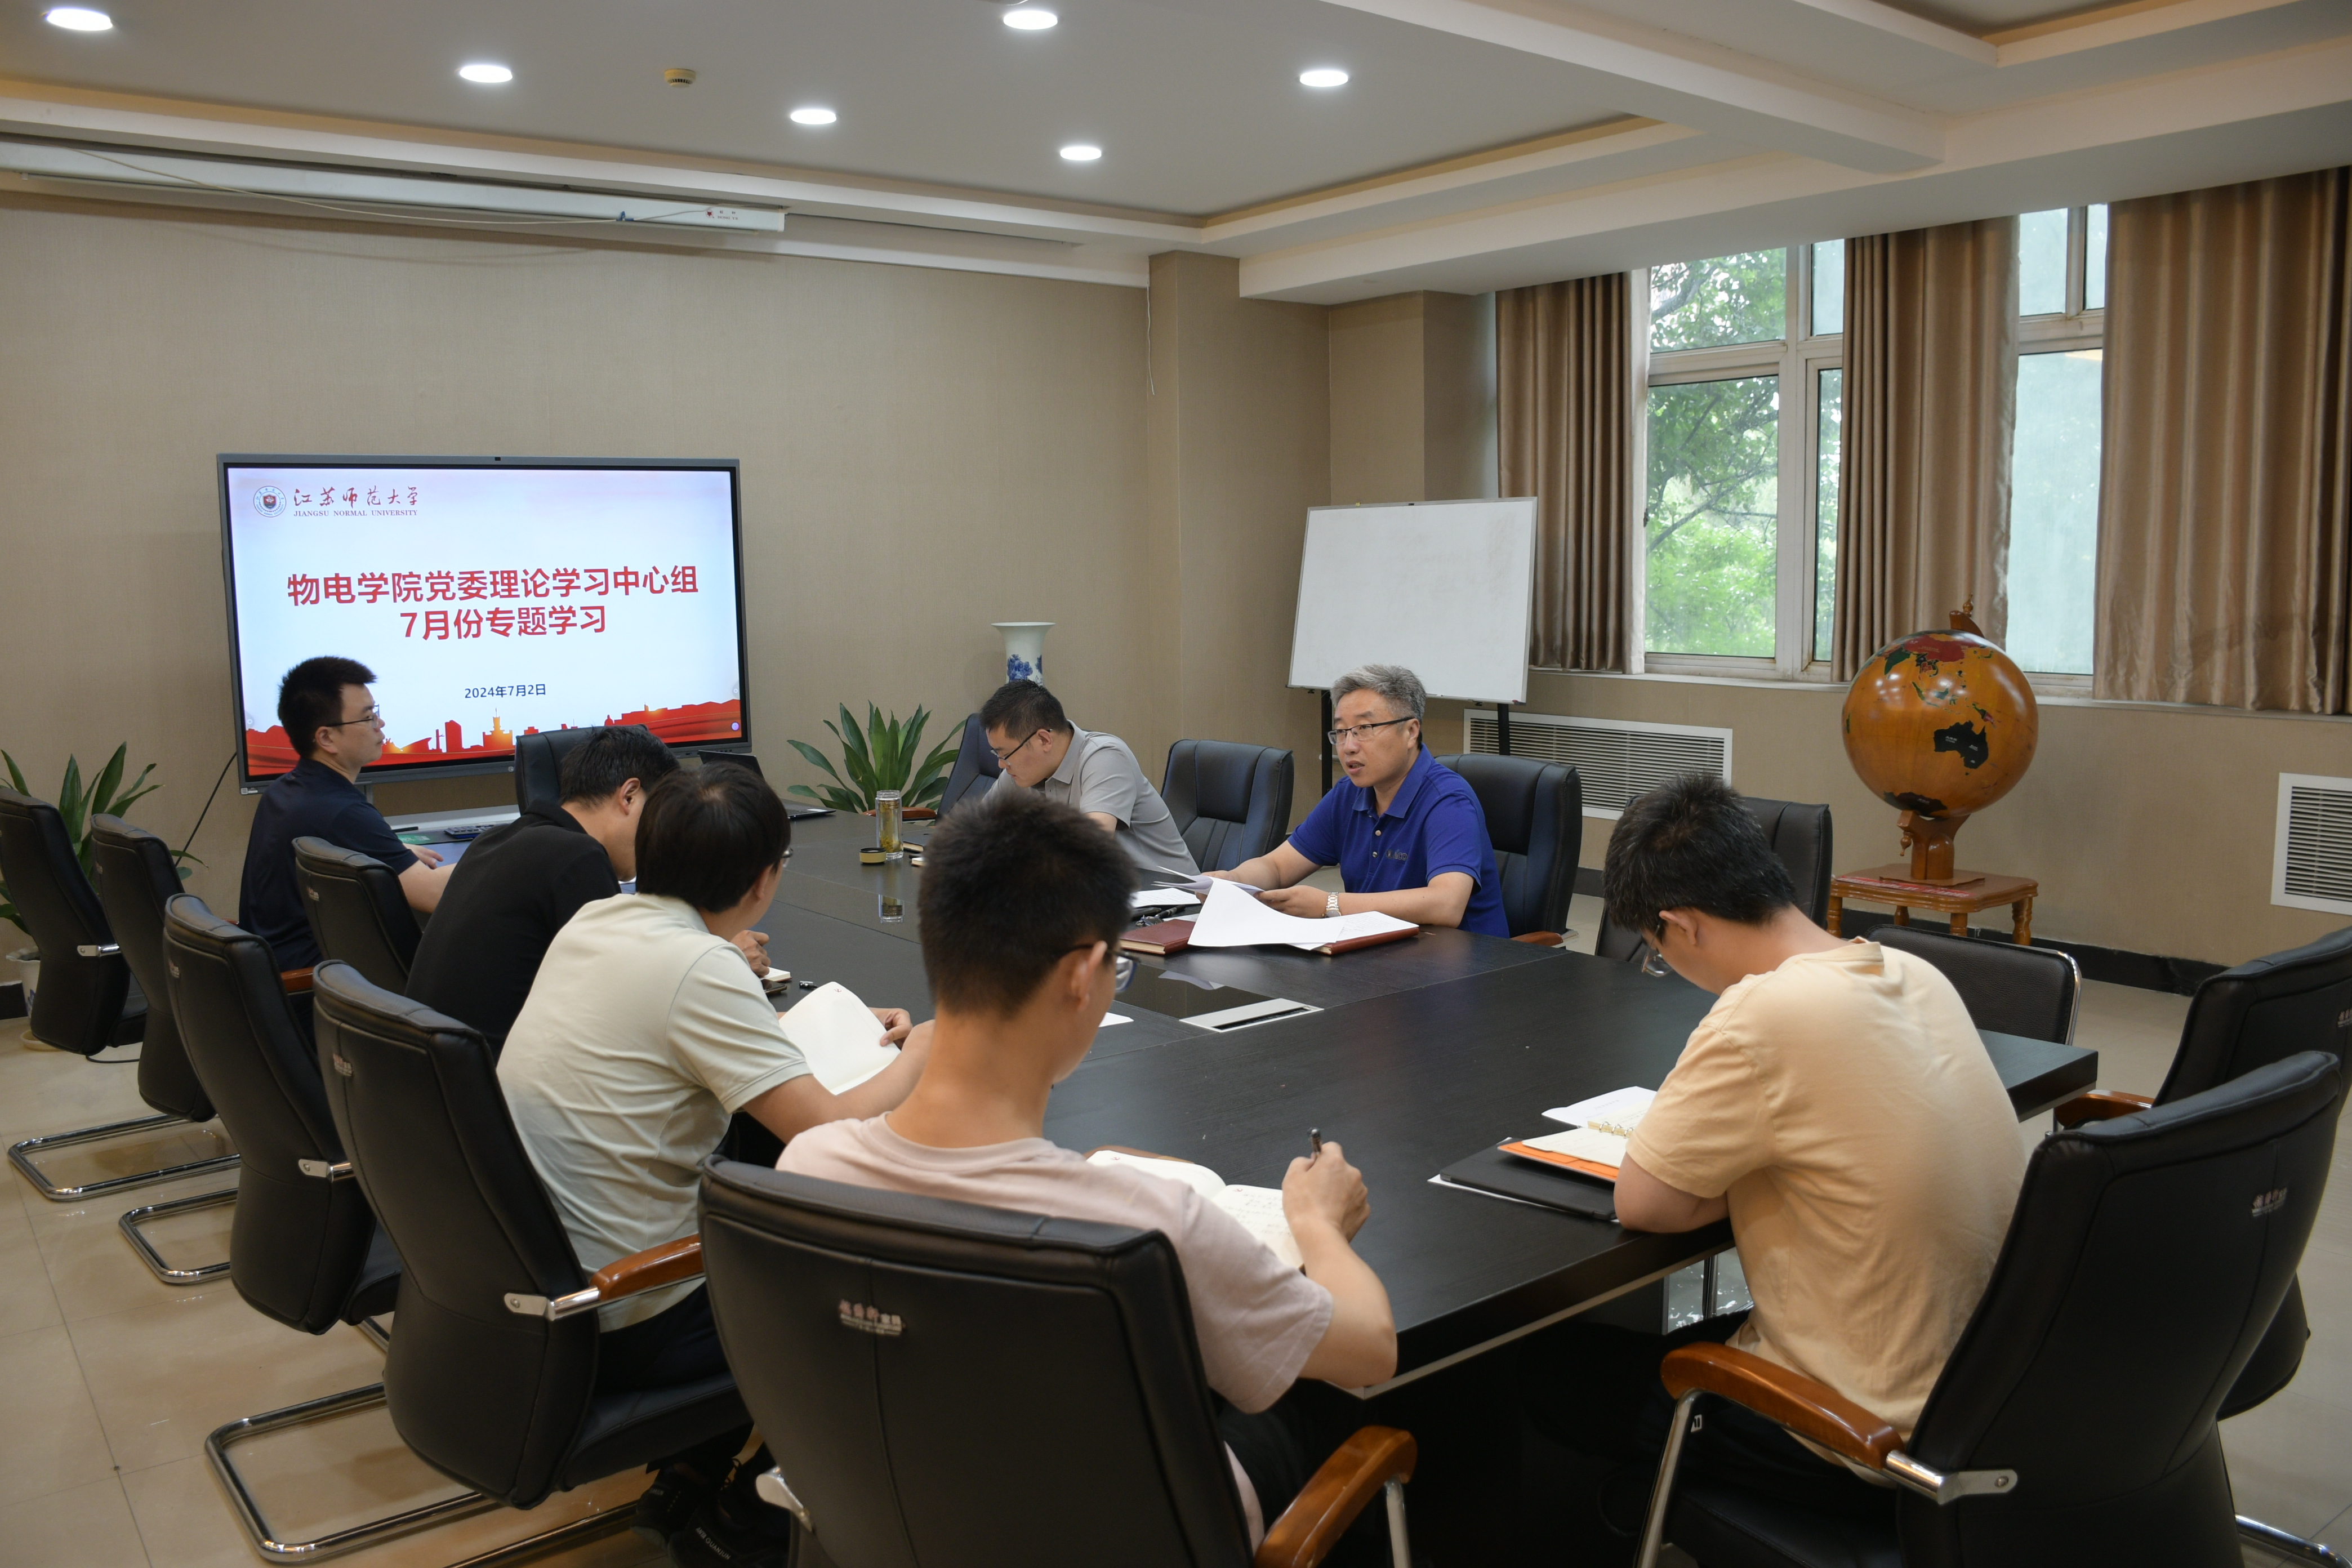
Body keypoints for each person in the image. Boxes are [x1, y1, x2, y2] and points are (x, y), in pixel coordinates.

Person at [779, 789, 1397, 1550]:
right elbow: (1371, 1349)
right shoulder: (1140, 1228)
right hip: (1124, 1539)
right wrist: (1318, 1223)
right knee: (1309, 1402)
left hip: (906, 1524)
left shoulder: (807, 1167)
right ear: (1083, 976)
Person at [1521, 773, 2028, 1543]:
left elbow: (1646, 1203)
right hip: (1985, 1403)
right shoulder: (1913, 973)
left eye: (1657, 951)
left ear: (1680, 926)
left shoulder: (1761, 1013)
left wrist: (1752, 1170)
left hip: (1862, 1438)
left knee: (1550, 1372)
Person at [497, 765, 933, 1567]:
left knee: (770, 1183)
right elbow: (826, 1129)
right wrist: (928, 1052)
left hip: (551, 1275)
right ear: (765, 880)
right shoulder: (700, 969)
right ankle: (749, 1520)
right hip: (635, 1308)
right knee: (872, 1310)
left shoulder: (598, 920)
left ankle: (691, 1473)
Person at [403, 728, 770, 1050]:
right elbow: (634, 1001)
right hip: (501, 1090)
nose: (662, 834)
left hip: (444, 1081)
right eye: (661, 814)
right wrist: (722, 957)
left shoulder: (501, 840)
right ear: (629, 796)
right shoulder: (576, 857)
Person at [1214, 664, 1506, 936]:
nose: (1348, 747)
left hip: (1462, 963)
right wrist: (1231, 881)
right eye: (1342, 732)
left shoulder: (1448, 801)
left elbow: (1446, 904)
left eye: (1364, 730)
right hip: (1377, 951)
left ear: (1410, 732)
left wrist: (1329, 905)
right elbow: (1278, 867)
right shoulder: (1348, 794)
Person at [237, 656, 453, 969]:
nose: (380, 724)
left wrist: (388, 853)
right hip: (321, 980)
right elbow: (435, 895)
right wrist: (506, 851)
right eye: (367, 718)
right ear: (326, 738)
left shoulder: (286, 790)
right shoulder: (344, 813)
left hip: (285, 965)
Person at [979, 679, 1199, 877]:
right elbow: (977, 834)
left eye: (1005, 754)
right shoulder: (1019, 772)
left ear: (1044, 740)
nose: (1001, 764)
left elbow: (1089, 848)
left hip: (1174, 897)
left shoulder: (1105, 757)